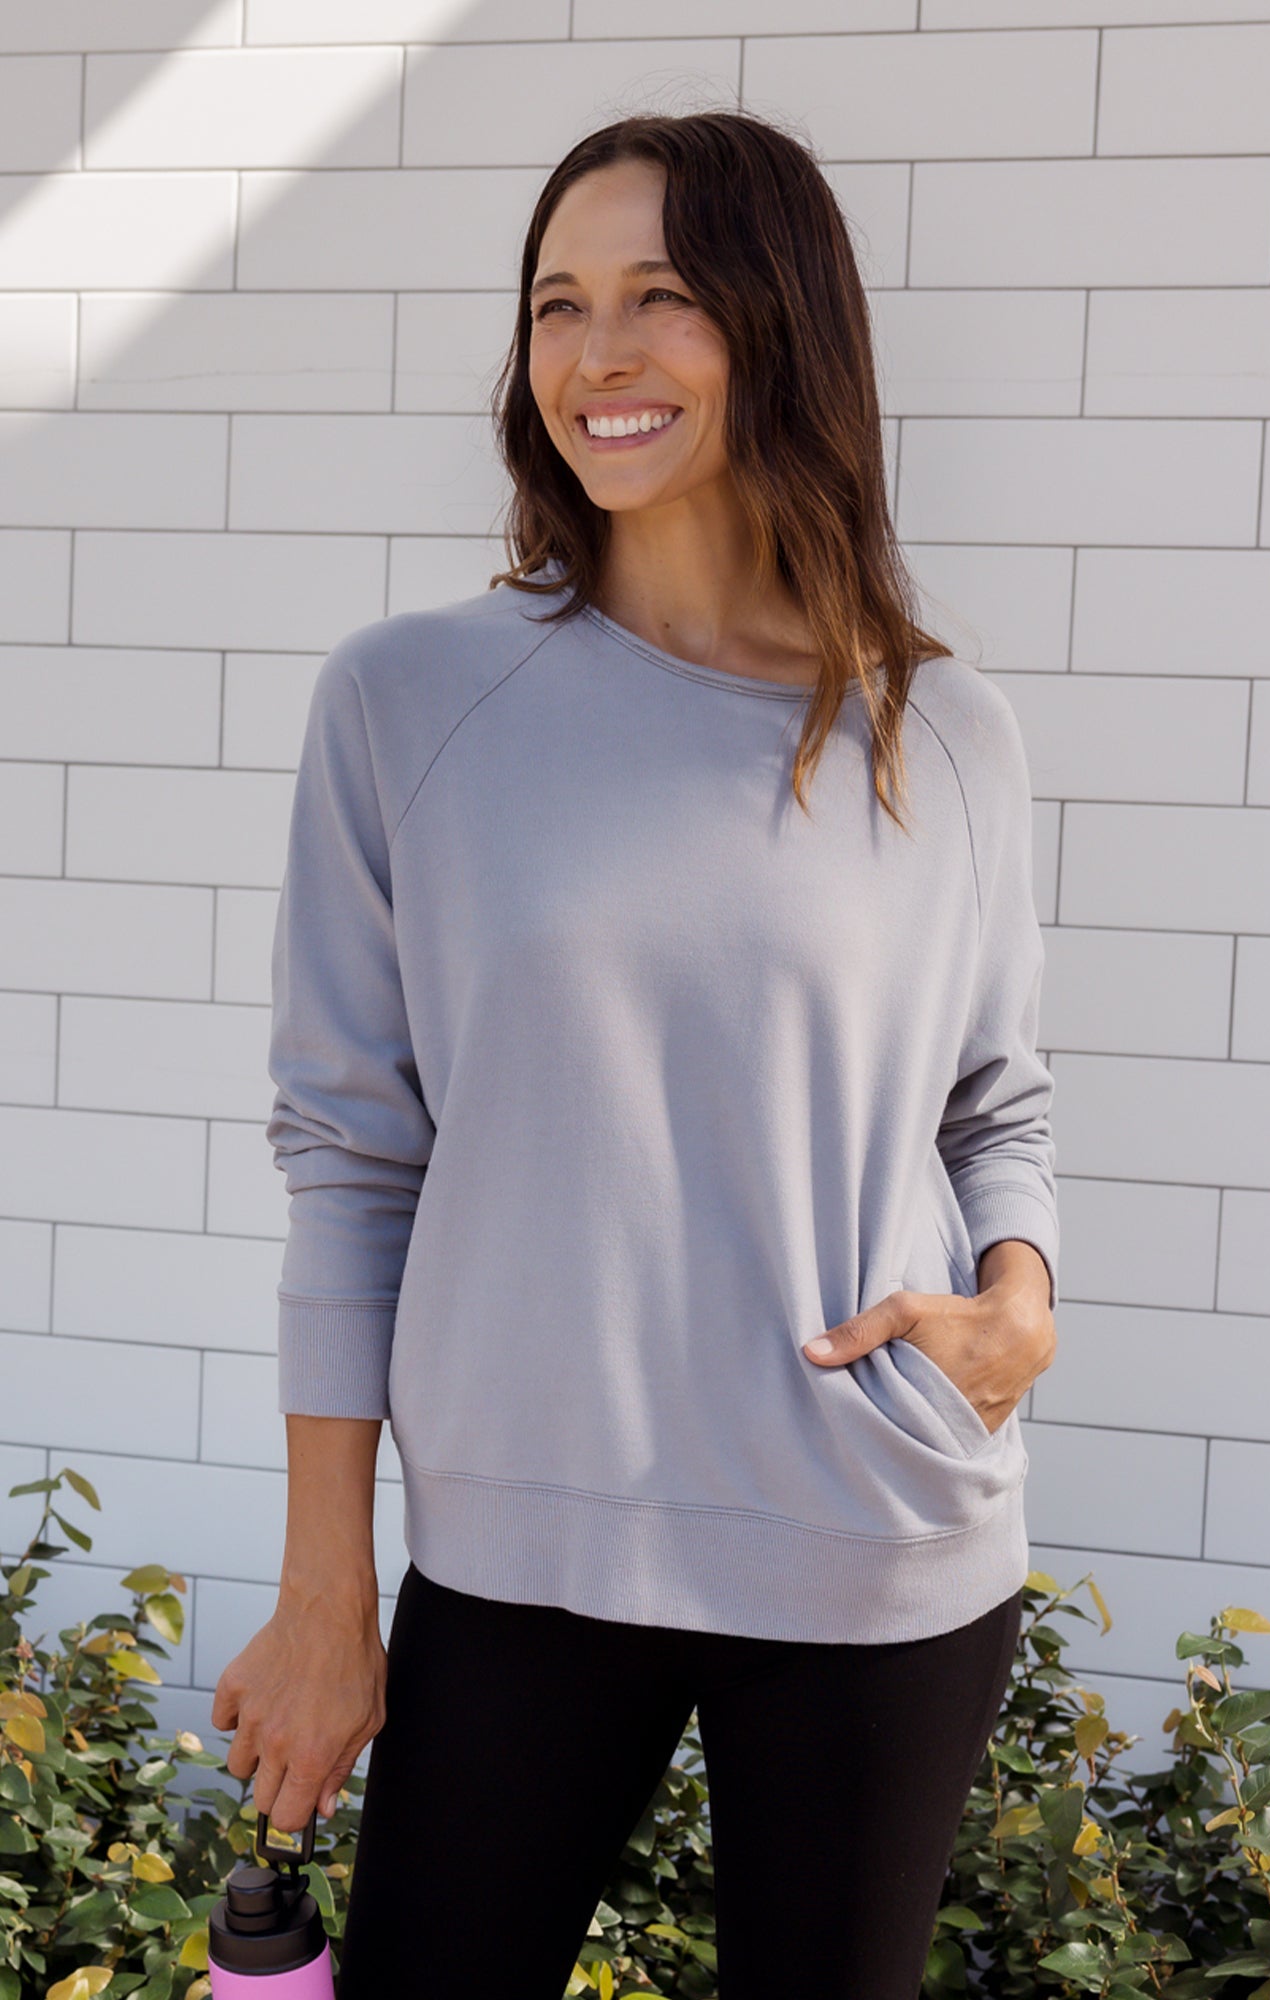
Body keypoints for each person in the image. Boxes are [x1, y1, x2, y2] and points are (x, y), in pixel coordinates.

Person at [211, 107, 1059, 1997]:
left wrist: (1020, 1299)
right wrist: (327, 1590)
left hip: (872, 1527)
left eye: (662, 296)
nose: (598, 353)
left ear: (781, 324)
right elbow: (350, 1157)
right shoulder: (411, 700)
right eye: (557, 304)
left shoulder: (947, 734)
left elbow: (995, 1098)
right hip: (522, 1553)